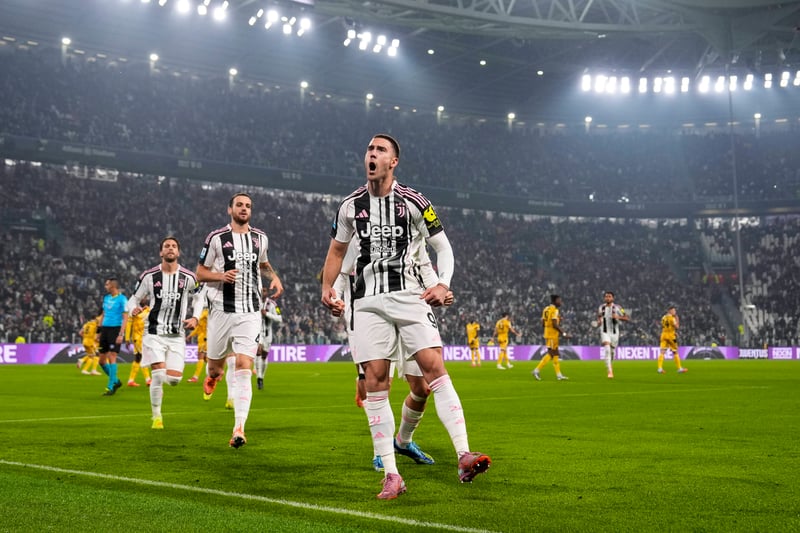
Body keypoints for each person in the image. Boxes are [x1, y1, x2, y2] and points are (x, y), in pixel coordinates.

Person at [321, 133, 490, 500]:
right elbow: (336, 251)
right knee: (375, 380)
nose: (372, 153)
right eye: (369, 148)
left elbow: (442, 247)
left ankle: (463, 454)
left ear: (393, 161)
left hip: (410, 296)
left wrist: (442, 284)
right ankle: (391, 474)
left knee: (433, 369)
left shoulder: (414, 202)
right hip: (366, 302)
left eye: (380, 149)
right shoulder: (349, 206)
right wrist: (327, 287)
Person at [332, 239, 446, 472]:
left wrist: (439, 287)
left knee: (422, 388)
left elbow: (423, 265)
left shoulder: (407, 233)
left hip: (408, 310)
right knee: (380, 383)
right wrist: (336, 298)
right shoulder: (356, 234)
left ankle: (403, 442)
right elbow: (340, 272)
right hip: (368, 317)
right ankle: (380, 452)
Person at [197, 191, 284, 448]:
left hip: (250, 312)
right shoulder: (216, 238)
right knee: (215, 368)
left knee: (244, 364)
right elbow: (200, 273)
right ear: (230, 209)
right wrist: (221, 276)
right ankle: (212, 376)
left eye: (247, 206)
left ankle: (239, 428)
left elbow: (264, 264)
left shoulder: (260, 238)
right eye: (239, 205)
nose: (244, 208)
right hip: (221, 311)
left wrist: (274, 277)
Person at [127, 237, 199, 429]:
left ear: (178, 252)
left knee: (174, 380)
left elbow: (200, 298)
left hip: (176, 334)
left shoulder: (189, 277)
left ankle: (160, 387)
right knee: (158, 375)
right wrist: (133, 308)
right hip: (153, 332)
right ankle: (156, 416)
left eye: (174, 246)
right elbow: (133, 299)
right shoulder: (149, 276)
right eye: (166, 246)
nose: (170, 248)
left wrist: (196, 317)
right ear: (161, 252)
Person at [97, 277, 129, 396]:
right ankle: (116, 381)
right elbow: (103, 314)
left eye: (107, 284)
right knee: (101, 361)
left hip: (115, 329)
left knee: (112, 356)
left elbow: (125, 318)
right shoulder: (106, 298)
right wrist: (98, 331)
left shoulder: (122, 299)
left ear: (113, 286)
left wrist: (121, 334)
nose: (105, 286)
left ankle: (110, 386)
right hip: (105, 330)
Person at [533, 294, 569, 381]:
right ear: (555, 301)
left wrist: (557, 320)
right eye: (559, 300)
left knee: (555, 353)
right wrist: (564, 333)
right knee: (552, 353)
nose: (560, 302)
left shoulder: (546, 309)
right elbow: (554, 324)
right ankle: (536, 370)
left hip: (548, 333)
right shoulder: (555, 310)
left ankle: (559, 375)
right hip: (552, 335)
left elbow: (543, 323)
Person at [596, 291, 629, 379]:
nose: (607, 298)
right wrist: (599, 321)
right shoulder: (601, 307)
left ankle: (610, 365)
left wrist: (617, 317)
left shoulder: (618, 307)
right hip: (604, 331)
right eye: (606, 296)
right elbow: (599, 316)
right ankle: (610, 371)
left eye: (609, 296)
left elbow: (627, 318)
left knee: (612, 352)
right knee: (607, 350)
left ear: (613, 298)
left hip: (614, 333)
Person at [256, 287, 283, 391]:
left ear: (267, 292)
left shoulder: (272, 304)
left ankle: (261, 377)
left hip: (268, 333)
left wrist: (266, 314)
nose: (263, 292)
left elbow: (279, 318)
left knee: (264, 356)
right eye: (261, 290)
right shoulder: (254, 302)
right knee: (258, 351)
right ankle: (258, 377)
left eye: (264, 290)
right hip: (257, 332)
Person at [125, 298, 152, 387]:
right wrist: (127, 338)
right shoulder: (134, 311)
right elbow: (129, 325)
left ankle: (131, 380)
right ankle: (148, 379)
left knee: (138, 358)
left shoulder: (148, 310)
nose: (144, 299)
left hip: (144, 338)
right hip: (138, 338)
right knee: (143, 357)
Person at [186, 286, 209, 383]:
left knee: (201, 356)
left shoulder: (205, 313)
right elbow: (198, 328)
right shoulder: (203, 314)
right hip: (202, 337)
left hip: (205, 338)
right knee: (207, 358)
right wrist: (190, 335)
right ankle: (213, 375)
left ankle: (196, 377)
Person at [658, 305, 687, 374]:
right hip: (671, 336)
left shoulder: (663, 317)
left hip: (663, 335)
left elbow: (663, 325)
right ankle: (679, 368)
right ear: (670, 311)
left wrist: (673, 331)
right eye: (673, 310)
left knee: (662, 352)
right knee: (675, 351)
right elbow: (677, 327)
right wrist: (677, 320)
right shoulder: (672, 318)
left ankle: (660, 368)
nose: (675, 312)